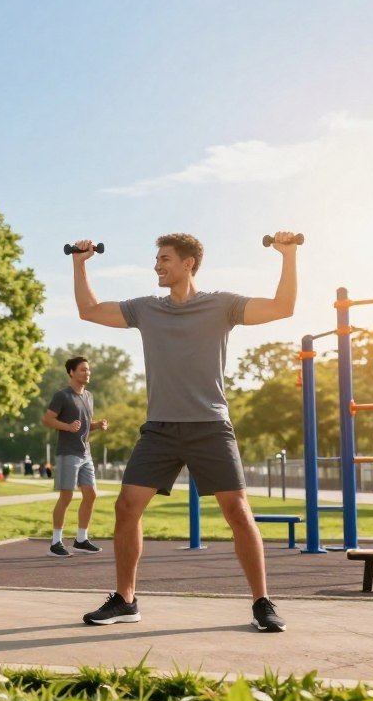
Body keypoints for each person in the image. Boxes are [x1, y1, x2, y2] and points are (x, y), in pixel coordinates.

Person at [72, 232, 298, 633]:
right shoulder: (146, 309)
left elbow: (282, 307)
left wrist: (288, 255)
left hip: (210, 426)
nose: (157, 266)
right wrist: (80, 262)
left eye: (165, 259)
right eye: (157, 259)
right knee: (126, 508)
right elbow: (89, 310)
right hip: (160, 428)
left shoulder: (222, 305)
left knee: (238, 513)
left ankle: (262, 601)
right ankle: (126, 599)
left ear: (189, 263)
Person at [43, 356, 108, 557]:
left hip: (85, 453)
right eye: (82, 370)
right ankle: (56, 543)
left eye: (88, 370)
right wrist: (67, 427)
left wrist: (97, 426)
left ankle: (81, 539)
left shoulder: (89, 396)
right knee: (66, 496)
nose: (87, 373)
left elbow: (84, 426)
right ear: (71, 372)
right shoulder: (62, 396)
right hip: (67, 453)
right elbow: (47, 420)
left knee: (91, 495)